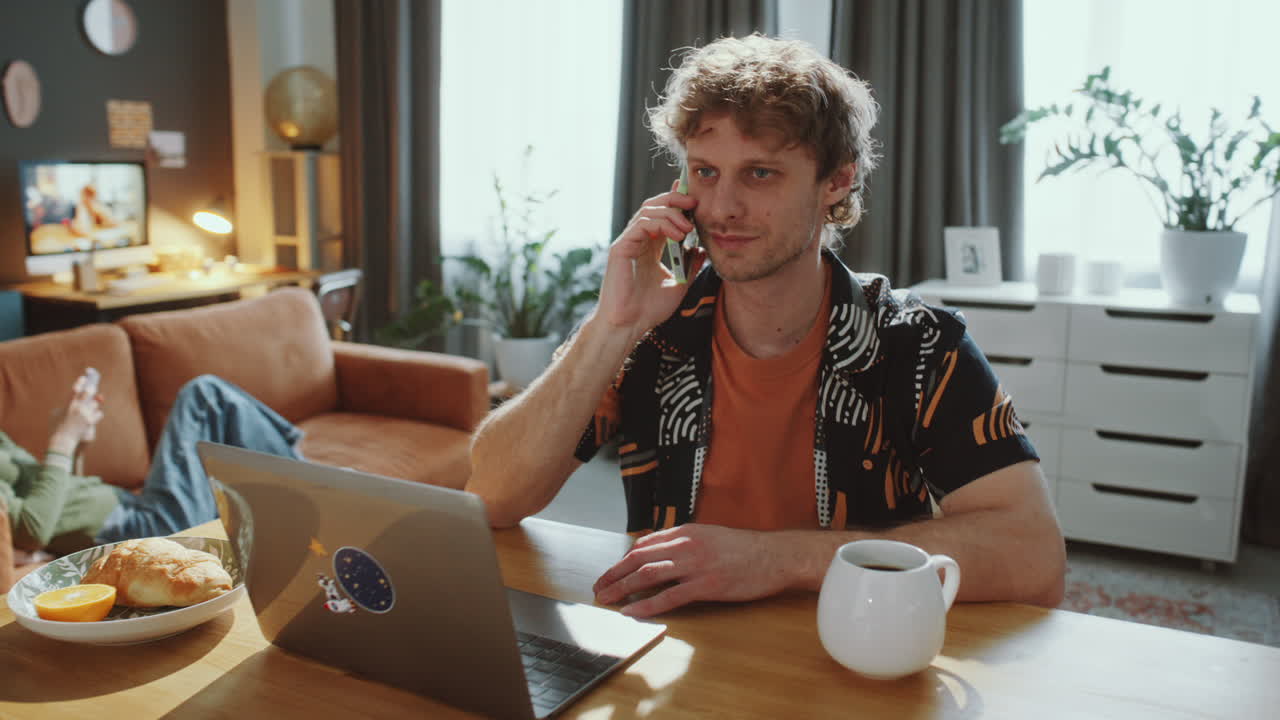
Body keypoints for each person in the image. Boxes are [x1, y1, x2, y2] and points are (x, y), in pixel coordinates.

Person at [466, 34, 1065, 617]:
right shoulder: (649, 331)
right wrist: (610, 326)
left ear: (836, 181)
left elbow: (1035, 558)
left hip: (854, 653)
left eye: (759, 174)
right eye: (704, 172)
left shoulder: (919, 343)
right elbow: (490, 497)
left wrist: (772, 559)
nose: (722, 208)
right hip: (670, 649)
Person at [1, 372, 303, 556]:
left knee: (216, 418)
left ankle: (307, 480)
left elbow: (59, 505)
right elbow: (33, 529)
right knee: (203, 395)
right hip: (139, 531)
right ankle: (311, 478)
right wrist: (63, 440)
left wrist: (77, 443)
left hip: (137, 509)